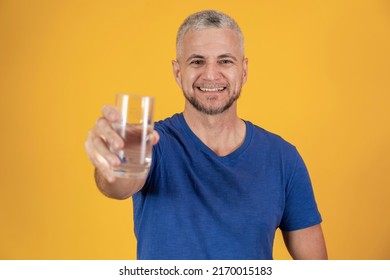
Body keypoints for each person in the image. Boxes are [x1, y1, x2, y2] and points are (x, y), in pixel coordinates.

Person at [84, 10, 327, 260]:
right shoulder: (152, 142)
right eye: (197, 61)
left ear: (243, 70)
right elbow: (118, 183)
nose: (211, 75)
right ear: (178, 73)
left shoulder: (282, 158)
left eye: (225, 61)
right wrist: (109, 161)